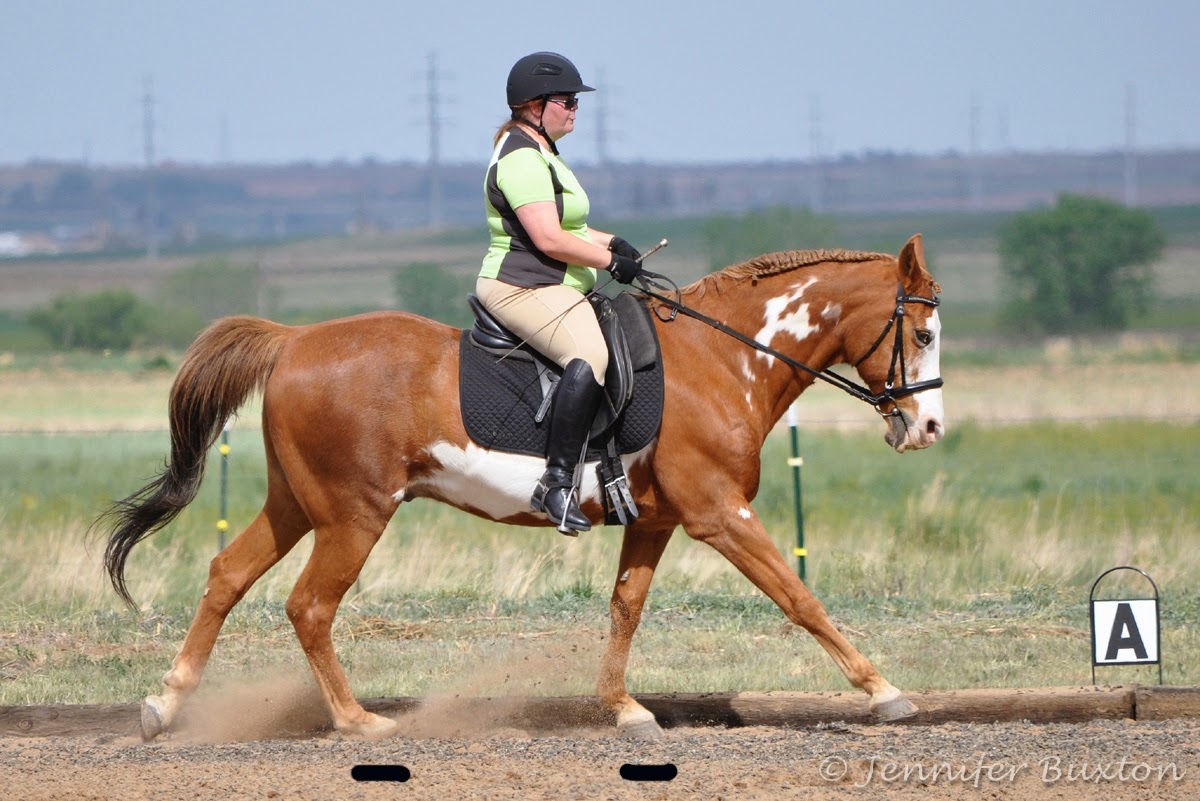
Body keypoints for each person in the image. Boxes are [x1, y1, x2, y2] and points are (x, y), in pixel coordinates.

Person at [476, 51, 644, 534]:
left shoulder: (544, 152)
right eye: (567, 101)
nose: (575, 109)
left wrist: (611, 242)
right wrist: (611, 263)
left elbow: (571, 226)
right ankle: (555, 482)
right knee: (589, 355)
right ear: (534, 105)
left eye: (576, 101)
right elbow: (548, 240)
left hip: (554, 284)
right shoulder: (522, 159)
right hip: (522, 286)